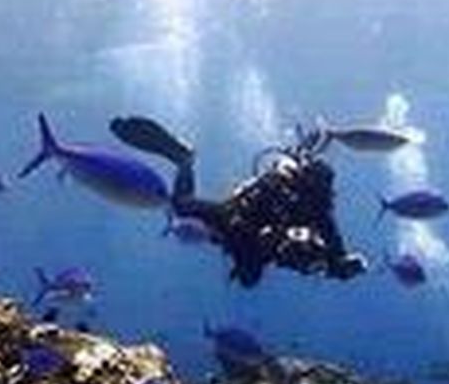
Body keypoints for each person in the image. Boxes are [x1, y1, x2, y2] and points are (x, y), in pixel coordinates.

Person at [109, 116, 367, 287]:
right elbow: (336, 255)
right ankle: (183, 159)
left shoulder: (321, 216)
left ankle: (184, 160)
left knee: (183, 206)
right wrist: (341, 264)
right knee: (184, 207)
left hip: (239, 225)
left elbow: (339, 259)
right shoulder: (316, 213)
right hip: (238, 219)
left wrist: (344, 266)